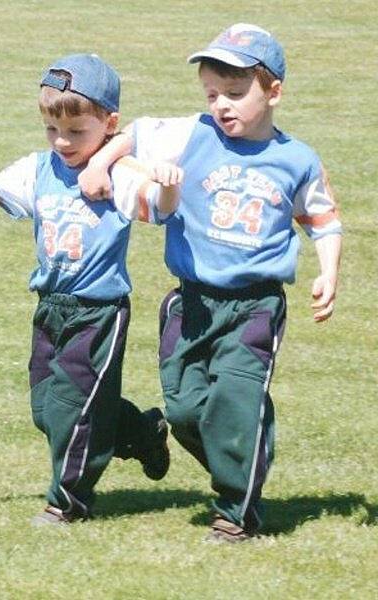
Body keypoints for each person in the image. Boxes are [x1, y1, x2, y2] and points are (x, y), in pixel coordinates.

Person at [78, 24, 343, 541]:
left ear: (273, 92)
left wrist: (328, 271)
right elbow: (132, 133)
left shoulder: (297, 160)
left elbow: (323, 221)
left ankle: (237, 513)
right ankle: (244, 454)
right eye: (212, 93)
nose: (222, 104)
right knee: (183, 409)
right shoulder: (193, 134)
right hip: (191, 302)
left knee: (235, 403)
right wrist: (102, 163)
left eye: (236, 93)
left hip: (255, 307)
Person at [0, 54, 183, 525]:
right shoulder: (40, 169)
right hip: (51, 308)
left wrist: (169, 183)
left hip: (98, 312)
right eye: (52, 129)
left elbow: (163, 208)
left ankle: (67, 503)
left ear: (109, 125)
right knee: (47, 408)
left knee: (73, 411)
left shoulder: (121, 174)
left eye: (76, 131)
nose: (62, 142)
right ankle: (140, 429)